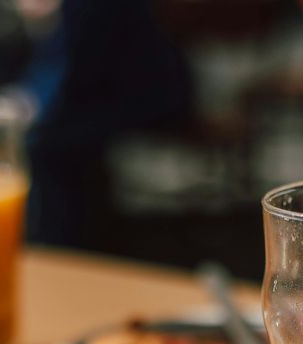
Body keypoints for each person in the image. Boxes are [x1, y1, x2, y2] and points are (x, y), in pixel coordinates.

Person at [17, 0, 194, 250]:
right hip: (117, 95)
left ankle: (68, 253)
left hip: (149, 96)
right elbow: (57, 64)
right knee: (45, 141)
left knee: (45, 146)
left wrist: (30, 107)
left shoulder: (91, 7)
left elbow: (71, 71)